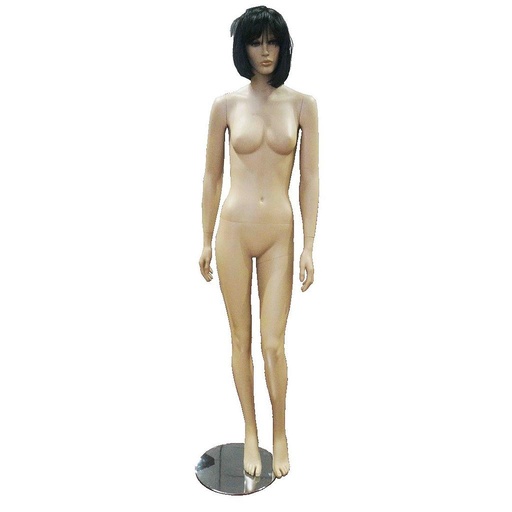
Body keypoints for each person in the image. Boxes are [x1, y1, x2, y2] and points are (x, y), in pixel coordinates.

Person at [199, 5, 319, 479]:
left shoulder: (303, 105)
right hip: (233, 229)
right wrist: (204, 238)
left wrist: (310, 244)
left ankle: (280, 431)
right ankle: (250, 430)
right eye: (256, 41)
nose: (265, 51)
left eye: (273, 41)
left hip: (278, 234)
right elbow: (211, 176)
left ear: (284, 46)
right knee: (240, 338)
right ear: (242, 48)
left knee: (273, 343)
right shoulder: (225, 105)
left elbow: (310, 178)